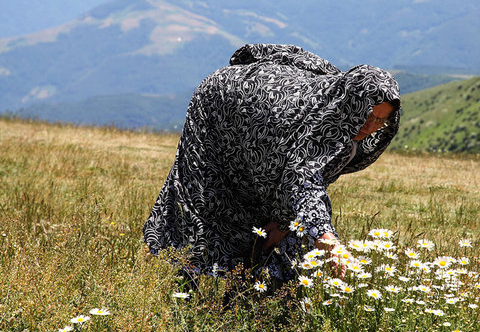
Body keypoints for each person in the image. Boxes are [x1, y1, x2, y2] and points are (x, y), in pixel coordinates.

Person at [142, 44, 400, 286]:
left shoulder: (342, 116)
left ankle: (250, 293)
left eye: (381, 121)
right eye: (368, 115)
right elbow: (303, 181)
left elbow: (306, 177)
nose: (370, 127)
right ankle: (185, 286)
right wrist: (327, 240)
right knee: (207, 202)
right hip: (218, 109)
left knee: (273, 228)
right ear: (351, 106)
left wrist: (285, 220)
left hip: (260, 139)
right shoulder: (318, 124)